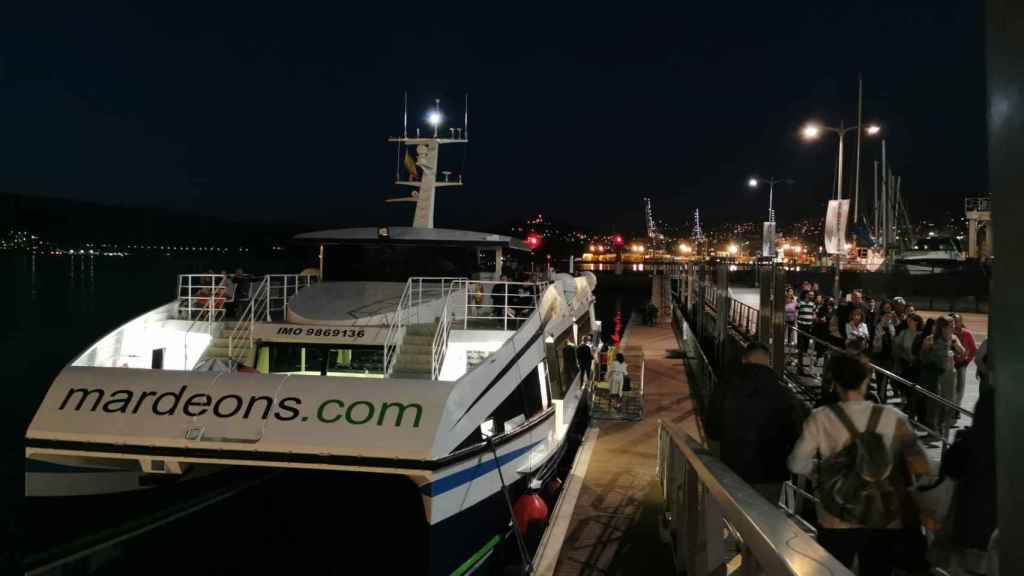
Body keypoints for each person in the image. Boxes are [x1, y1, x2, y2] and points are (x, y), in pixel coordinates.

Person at [788, 353, 931, 575]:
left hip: (836, 517)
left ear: (834, 383)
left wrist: (819, 471)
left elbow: (796, 463)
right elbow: (922, 467)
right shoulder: (893, 416)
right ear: (866, 380)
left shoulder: (821, 417)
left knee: (832, 571)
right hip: (882, 518)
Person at [706, 343, 808, 503]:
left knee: (734, 517)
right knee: (765, 520)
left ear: (743, 360)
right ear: (769, 362)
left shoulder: (725, 387)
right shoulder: (784, 393)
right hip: (771, 474)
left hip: (733, 469)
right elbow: (796, 434)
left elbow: (712, 430)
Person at [920, 317, 964, 437]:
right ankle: (933, 429)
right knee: (934, 403)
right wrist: (928, 349)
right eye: (951, 325)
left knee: (947, 403)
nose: (954, 327)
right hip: (935, 376)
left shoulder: (954, 339)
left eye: (954, 325)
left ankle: (942, 428)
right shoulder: (931, 339)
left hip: (949, 375)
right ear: (943, 327)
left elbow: (962, 353)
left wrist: (955, 347)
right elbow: (922, 357)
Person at [949, 313, 977, 423]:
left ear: (961, 321)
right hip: (949, 364)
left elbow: (974, 350)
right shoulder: (948, 333)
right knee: (950, 388)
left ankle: (956, 410)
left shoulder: (967, 334)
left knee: (960, 388)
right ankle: (949, 409)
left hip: (961, 365)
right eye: (953, 321)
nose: (955, 323)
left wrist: (967, 361)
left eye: (956, 320)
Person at [797, 290, 817, 374]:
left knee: (806, 345)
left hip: (809, 327)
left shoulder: (813, 305)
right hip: (801, 326)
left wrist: (813, 320)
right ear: (806, 295)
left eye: (812, 295)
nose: (811, 296)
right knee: (801, 345)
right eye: (809, 295)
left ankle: (804, 364)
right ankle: (800, 364)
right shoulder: (800, 303)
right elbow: (796, 312)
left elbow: (814, 314)